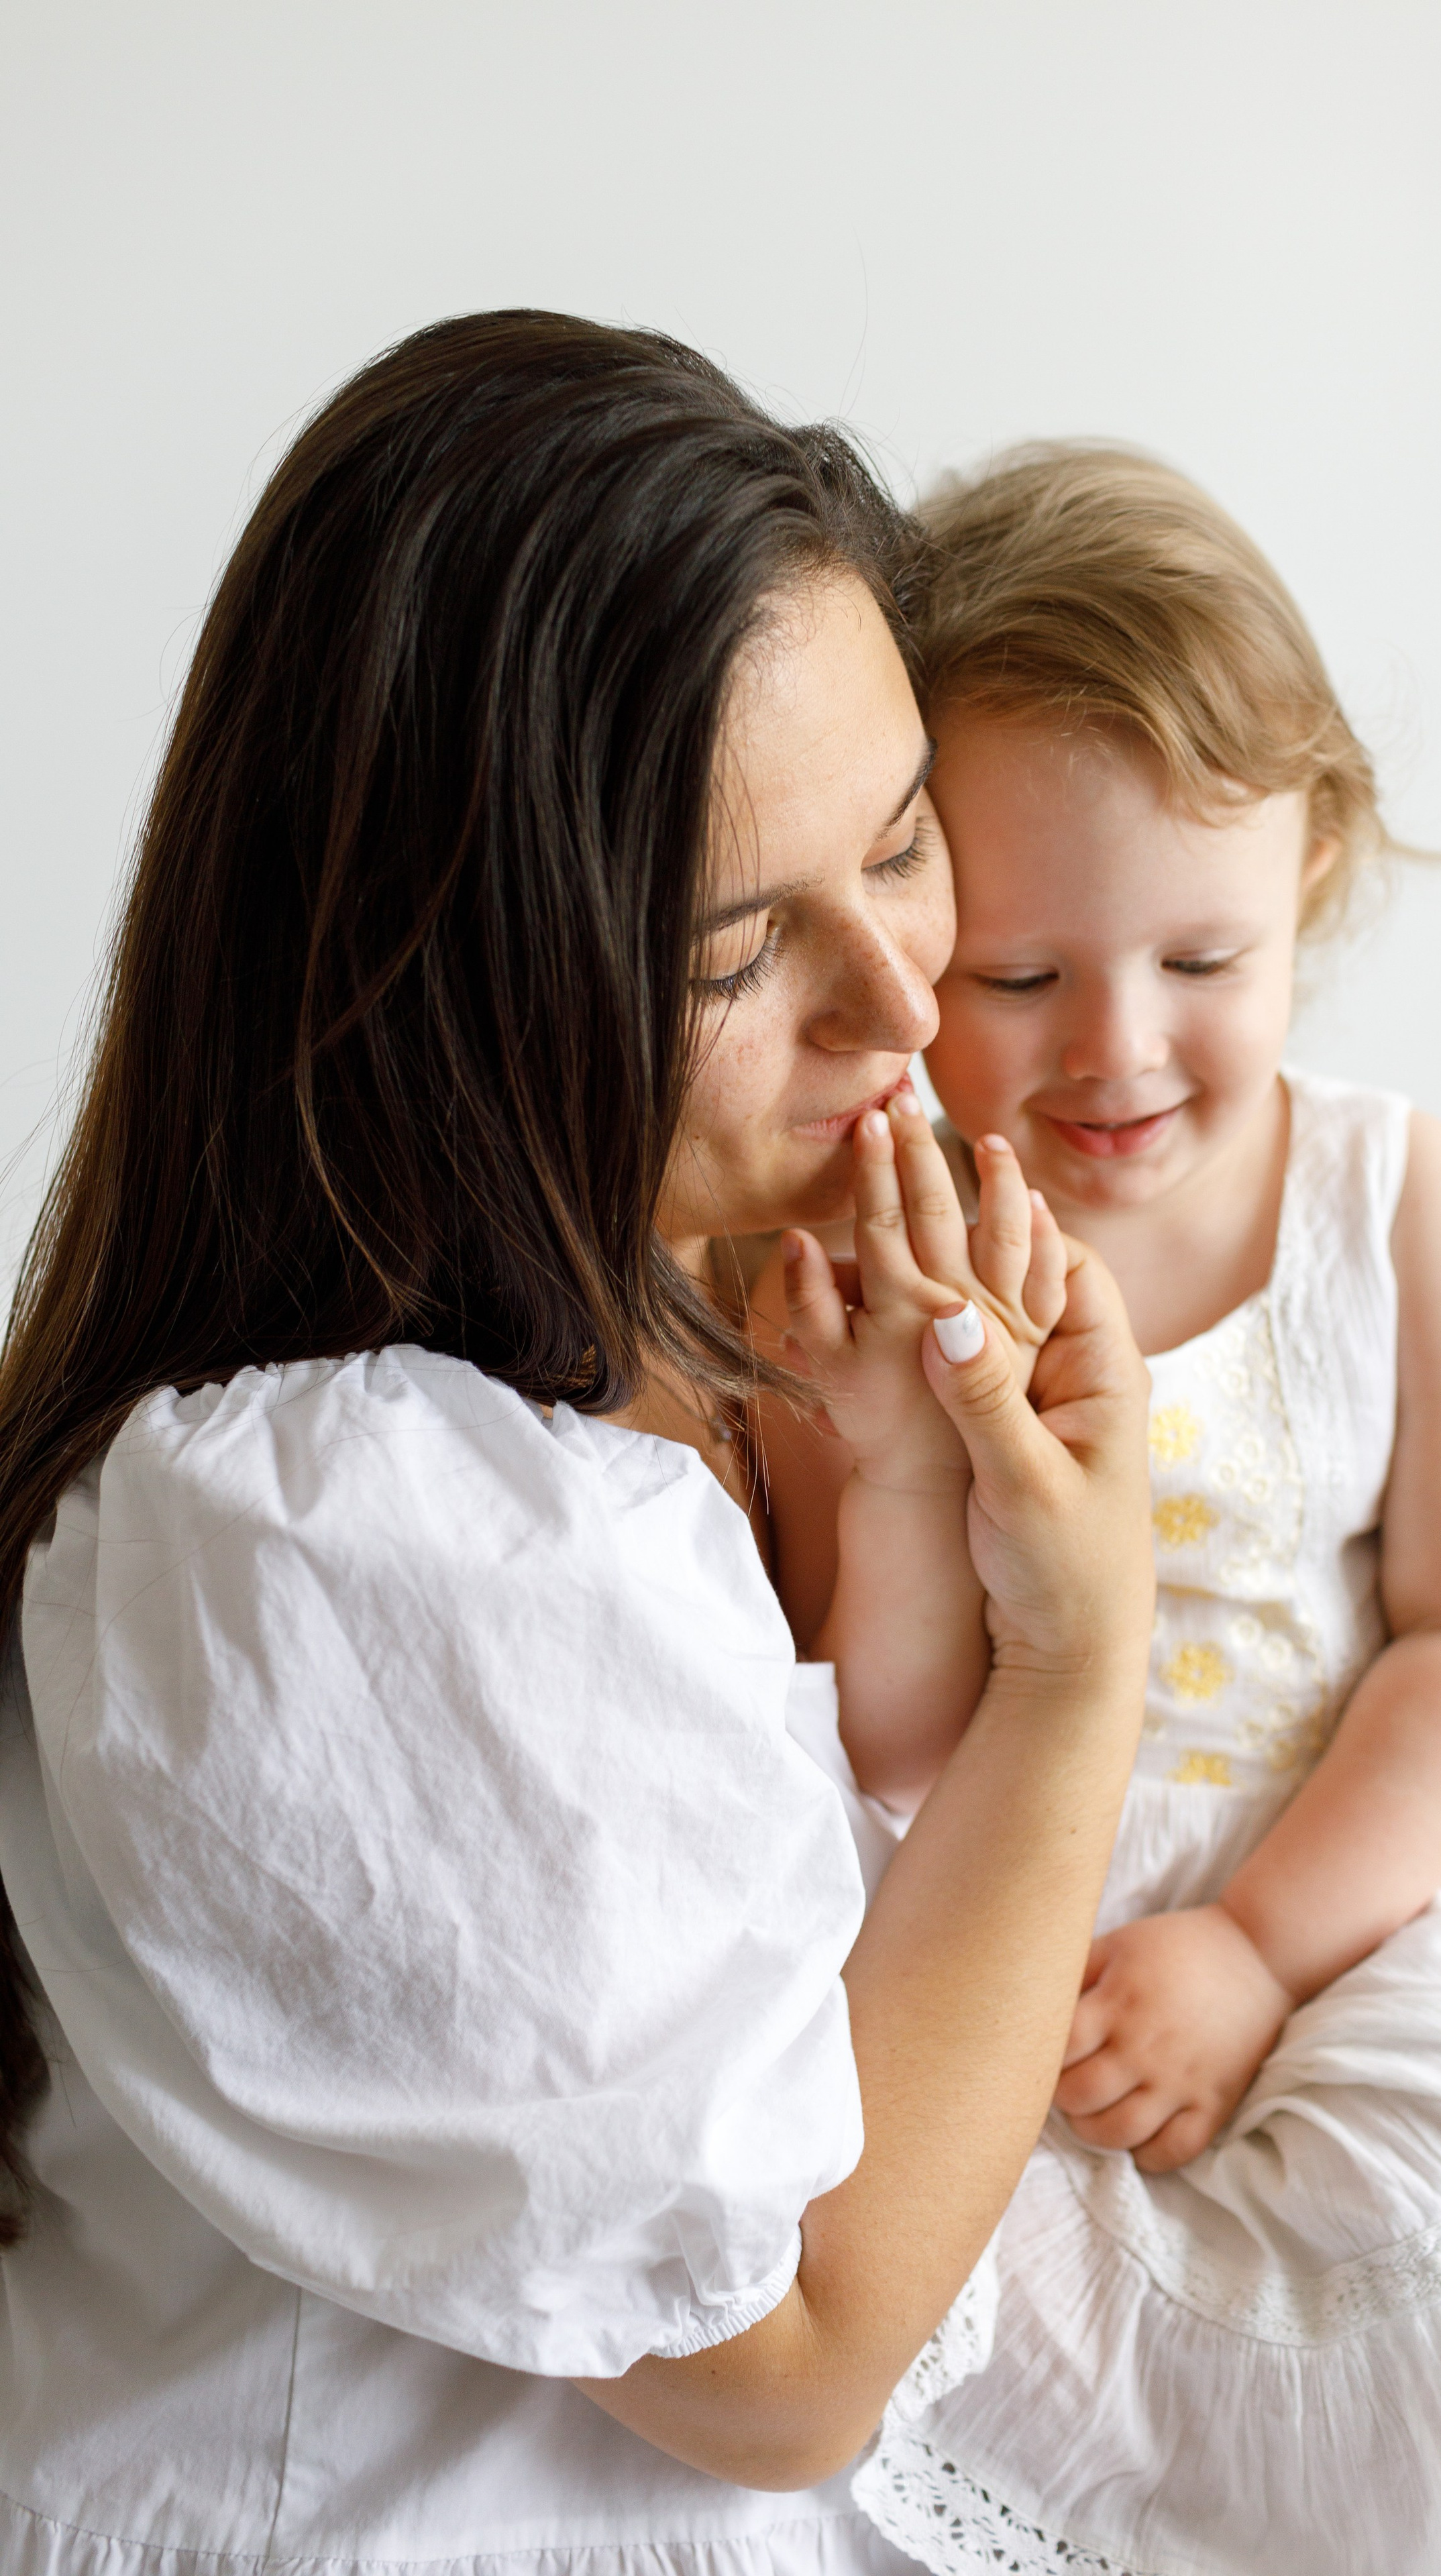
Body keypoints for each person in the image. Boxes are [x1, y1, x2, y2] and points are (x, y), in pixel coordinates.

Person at [0, 315, 1163, 2575]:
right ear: (450, 977)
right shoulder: (343, 1543)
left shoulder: (712, 1265)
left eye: (908, 840)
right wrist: (1082, 1671)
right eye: (743, 955)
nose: (904, 1004)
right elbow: (796, 2356)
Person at [753, 447, 1441, 2575]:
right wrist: (893, 1457)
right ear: (920, 930)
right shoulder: (884, 1252)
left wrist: (1264, 1949)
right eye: (1022, 977)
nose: (1119, 1049)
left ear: (1316, 872)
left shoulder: (1395, 1203)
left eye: (1202, 958)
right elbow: (890, 1735)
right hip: (1005, 1913)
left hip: (1343, 1871)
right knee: (1006, 2369)